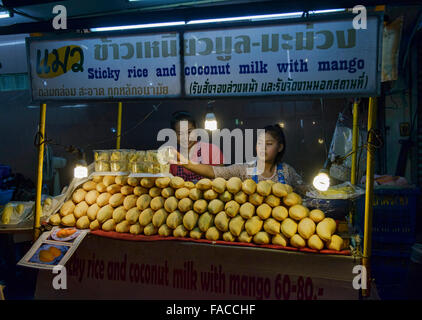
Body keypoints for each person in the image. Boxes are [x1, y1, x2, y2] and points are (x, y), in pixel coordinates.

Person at [171, 124, 308, 193]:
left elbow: (306, 190)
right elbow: (213, 172)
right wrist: (187, 164)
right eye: (259, 143)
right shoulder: (244, 169)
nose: (262, 148)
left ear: (280, 147)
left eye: (269, 144)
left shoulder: (287, 171)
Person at [168, 111, 224, 182]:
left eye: (189, 132)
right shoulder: (171, 156)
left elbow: (221, 178)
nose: (186, 137)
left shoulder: (212, 150)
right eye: (180, 134)